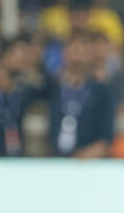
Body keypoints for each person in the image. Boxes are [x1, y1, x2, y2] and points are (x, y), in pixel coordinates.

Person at [48, 30, 115, 158]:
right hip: (54, 162)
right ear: (64, 52)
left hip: (88, 164)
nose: (77, 49)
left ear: (92, 53)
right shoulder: (52, 87)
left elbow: (106, 135)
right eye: (72, 44)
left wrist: (93, 152)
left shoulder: (101, 91)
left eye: (83, 45)